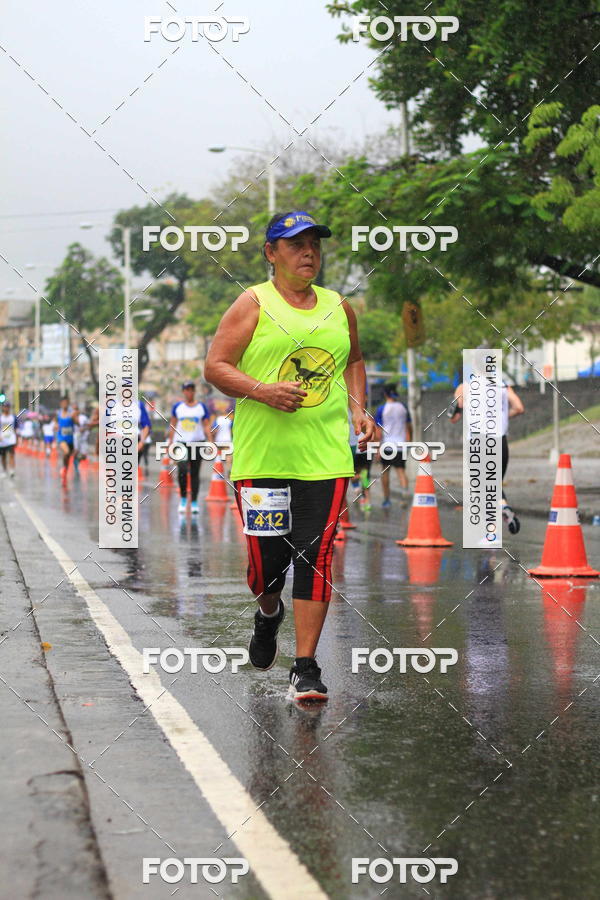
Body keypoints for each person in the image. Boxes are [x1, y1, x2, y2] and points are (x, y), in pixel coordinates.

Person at [204, 210, 375, 703]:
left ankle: (305, 666)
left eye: (314, 245)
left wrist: (359, 407)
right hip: (263, 461)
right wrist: (261, 390)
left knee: (317, 557)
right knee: (266, 565)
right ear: (270, 253)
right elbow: (216, 366)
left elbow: (355, 361)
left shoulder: (340, 307)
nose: (308, 253)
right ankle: (268, 614)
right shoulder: (251, 303)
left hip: (325, 459)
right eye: (295, 244)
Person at [450, 378, 524, 533]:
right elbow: (519, 408)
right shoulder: (503, 386)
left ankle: (491, 530)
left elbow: (454, 417)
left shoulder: (465, 387)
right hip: (500, 442)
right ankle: (503, 508)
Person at [168, 382, 211, 514]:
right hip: (181, 443)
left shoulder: (201, 407)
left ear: (194, 391)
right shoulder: (178, 407)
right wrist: (170, 443)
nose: (189, 392)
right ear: (183, 392)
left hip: (197, 443)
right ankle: (183, 499)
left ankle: (194, 502)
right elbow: (173, 425)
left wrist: (210, 442)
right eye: (186, 390)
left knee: (194, 473)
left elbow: (206, 426)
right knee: (181, 470)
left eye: (191, 390)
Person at [375, 384, 412, 507]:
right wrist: (409, 442)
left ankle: (386, 500)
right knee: (401, 471)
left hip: (387, 445)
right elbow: (408, 428)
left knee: (385, 471)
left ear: (385, 394)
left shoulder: (381, 409)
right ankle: (404, 497)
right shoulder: (403, 407)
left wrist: (378, 448)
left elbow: (378, 431)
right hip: (401, 445)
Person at [55, 396, 75, 485]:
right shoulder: (58, 413)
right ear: (61, 404)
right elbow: (55, 423)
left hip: (70, 439)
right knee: (66, 452)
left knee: (68, 457)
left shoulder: (72, 413)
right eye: (63, 403)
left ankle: (64, 470)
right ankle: (63, 469)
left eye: (66, 403)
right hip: (61, 438)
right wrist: (55, 426)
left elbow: (77, 423)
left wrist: (74, 419)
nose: (65, 405)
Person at [0, 400, 17, 478]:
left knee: (11, 455)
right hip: (2, 440)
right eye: (5, 407)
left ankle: (12, 470)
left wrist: (16, 438)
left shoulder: (13, 417)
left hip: (11, 439)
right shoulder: (1, 418)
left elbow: (16, 428)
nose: (6, 408)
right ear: (3, 408)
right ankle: (4, 470)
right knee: (3, 457)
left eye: (8, 407)